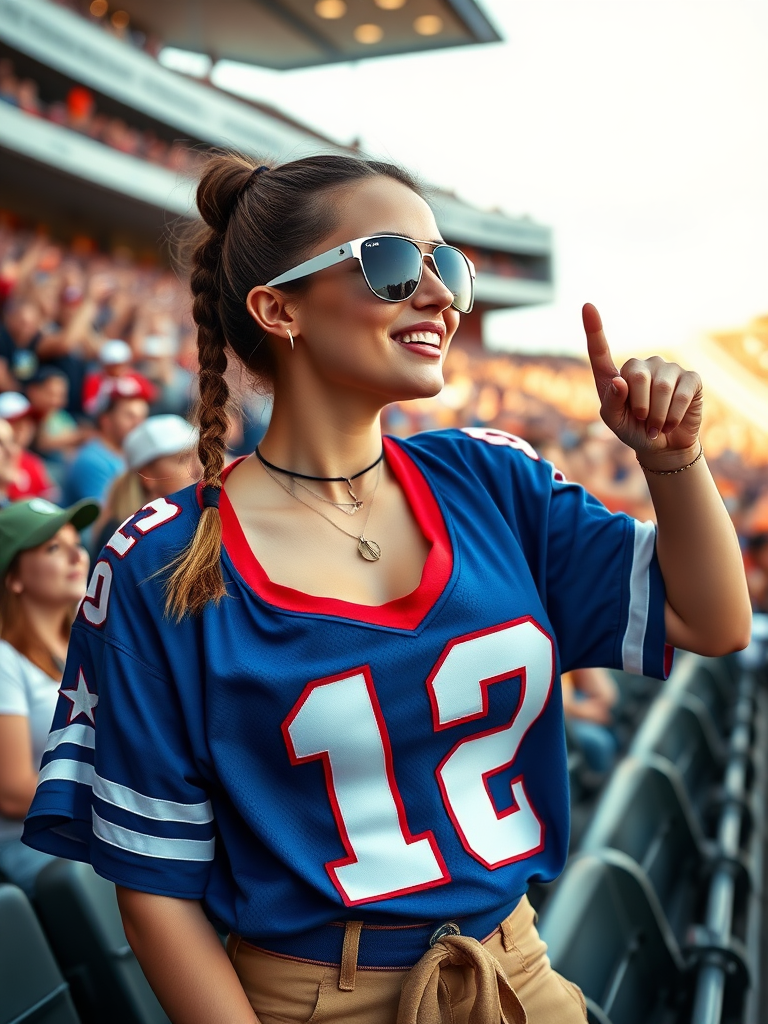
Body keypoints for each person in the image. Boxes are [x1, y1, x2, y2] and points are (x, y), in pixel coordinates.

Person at [23, 153, 751, 1024]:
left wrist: (672, 459)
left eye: (446, 266)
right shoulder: (158, 563)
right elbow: (156, 894)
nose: (440, 295)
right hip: (314, 1000)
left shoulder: (490, 478)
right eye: (393, 264)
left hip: (520, 972)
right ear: (279, 307)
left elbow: (710, 619)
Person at [0, 497, 98, 895]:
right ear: (14, 578)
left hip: (98, 827)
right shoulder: (5, 660)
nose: (78, 554)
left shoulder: (93, 640)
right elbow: (12, 792)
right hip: (38, 846)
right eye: (53, 547)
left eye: (77, 541)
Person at [90, 414, 199, 553]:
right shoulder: (123, 538)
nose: (198, 469)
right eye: (183, 460)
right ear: (147, 476)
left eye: (197, 458)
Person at [61, 376, 149, 506]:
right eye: (130, 416)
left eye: (142, 417)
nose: (138, 424)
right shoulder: (92, 460)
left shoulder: (132, 454)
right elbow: (106, 520)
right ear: (105, 420)